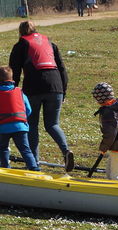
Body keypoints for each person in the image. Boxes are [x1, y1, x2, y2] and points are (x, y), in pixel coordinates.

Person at [9, 20, 74, 171]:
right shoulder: (50, 43)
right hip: (56, 86)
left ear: (21, 32)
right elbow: (62, 68)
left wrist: (12, 91)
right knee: (52, 124)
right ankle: (66, 151)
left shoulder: (20, 46)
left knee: (32, 125)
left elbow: (14, 71)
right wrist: (63, 91)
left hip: (33, 88)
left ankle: (34, 162)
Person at [0, 67, 40, 171]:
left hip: (2, 128)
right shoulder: (20, 92)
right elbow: (28, 110)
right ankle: (34, 168)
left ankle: (5, 169)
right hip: (20, 126)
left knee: (3, 148)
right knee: (25, 149)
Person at [92, 82, 118, 181]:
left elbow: (110, 134)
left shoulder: (110, 112)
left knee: (115, 175)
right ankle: (109, 185)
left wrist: (103, 147)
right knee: (109, 172)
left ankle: (117, 189)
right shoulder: (116, 107)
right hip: (117, 144)